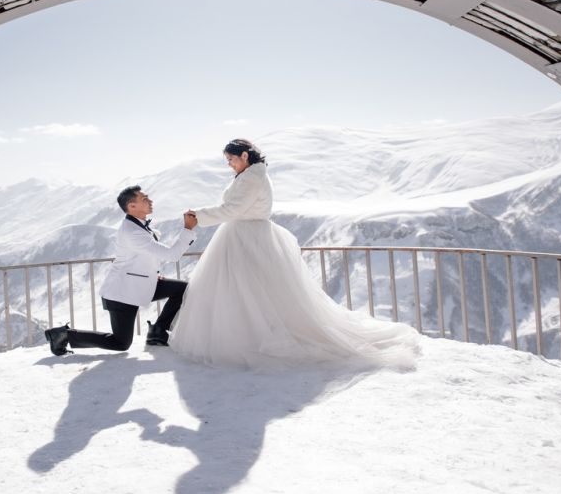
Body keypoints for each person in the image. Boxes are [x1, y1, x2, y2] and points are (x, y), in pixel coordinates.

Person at [169, 139, 421, 370]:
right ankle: (251, 335)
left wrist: (198, 216)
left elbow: (235, 209)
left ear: (244, 156)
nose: (229, 165)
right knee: (249, 290)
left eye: (231, 159)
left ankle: (252, 338)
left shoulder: (251, 179)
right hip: (243, 236)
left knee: (249, 289)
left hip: (247, 236)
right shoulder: (248, 176)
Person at [44, 185, 198, 356]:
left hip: (141, 284)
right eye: (145, 199)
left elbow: (142, 257)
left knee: (182, 289)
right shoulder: (132, 232)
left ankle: (158, 331)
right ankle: (63, 335)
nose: (151, 201)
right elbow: (172, 255)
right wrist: (188, 229)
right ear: (132, 206)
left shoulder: (138, 226)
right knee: (120, 343)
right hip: (121, 294)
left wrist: (153, 274)